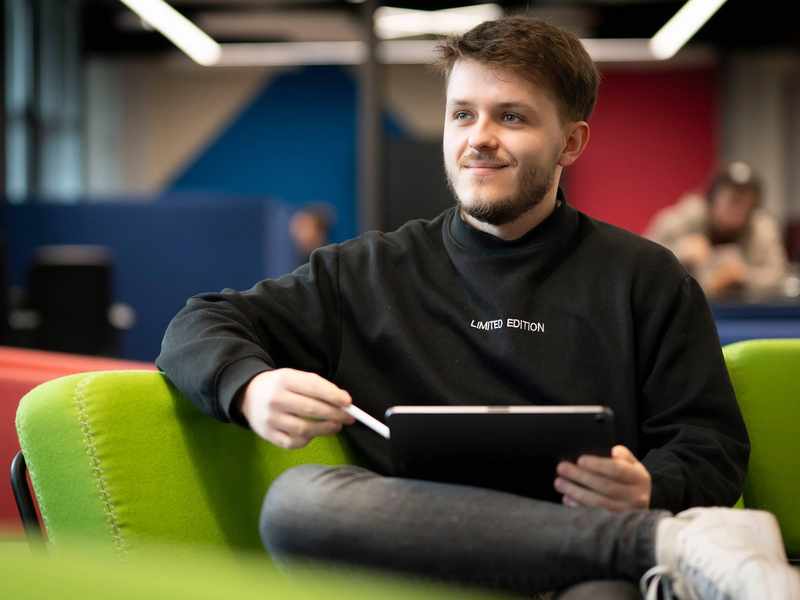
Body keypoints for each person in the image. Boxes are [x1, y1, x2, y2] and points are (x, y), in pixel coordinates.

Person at [156, 17, 800, 600]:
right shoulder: (368, 271)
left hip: (584, 576)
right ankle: (660, 546)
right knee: (297, 503)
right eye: (462, 114)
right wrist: (251, 386)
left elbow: (711, 447)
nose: (479, 138)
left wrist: (650, 488)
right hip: (424, 554)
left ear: (570, 144)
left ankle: (634, 544)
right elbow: (197, 323)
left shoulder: (647, 279)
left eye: (512, 117)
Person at [645, 162, 787, 300]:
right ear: (712, 199)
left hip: (743, 314)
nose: (740, 209)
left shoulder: (762, 229)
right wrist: (679, 252)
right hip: (684, 308)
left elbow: (779, 275)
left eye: (748, 202)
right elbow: (643, 261)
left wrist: (744, 276)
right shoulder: (683, 218)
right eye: (734, 199)